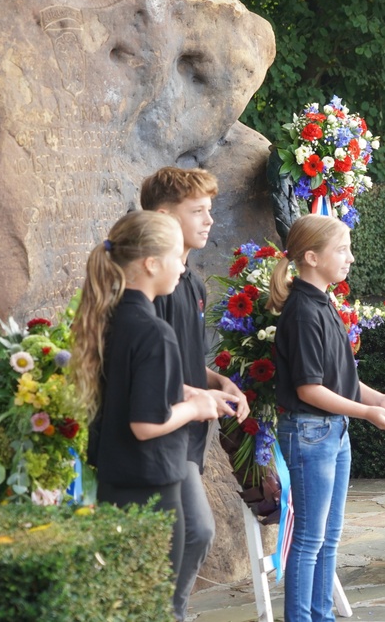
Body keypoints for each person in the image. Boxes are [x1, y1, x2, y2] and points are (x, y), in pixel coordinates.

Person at [268, 214, 385, 622]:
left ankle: (323, 616)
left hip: (332, 433)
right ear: (312, 257)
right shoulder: (302, 310)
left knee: (327, 539)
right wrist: (369, 412)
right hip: (310, 433)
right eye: (342, 250)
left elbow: (342, 380)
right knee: (308, 541)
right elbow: (309, 390)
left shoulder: (322, 302)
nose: (350, 258)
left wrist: (381, 399)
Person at [72, 210, 224, 617]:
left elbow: (130, 389)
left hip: (116, 479)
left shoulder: (113, 316)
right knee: (151, 607)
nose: (182, 266)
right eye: (176, 257)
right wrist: (195, 407)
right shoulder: (154, 330)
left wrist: (189, 391)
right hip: (150, 487)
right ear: (151, 263)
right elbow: (146, 423)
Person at [140, 167, 250, 620]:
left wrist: (218, 382)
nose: (209, 220)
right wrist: (194, 397)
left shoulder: (193, 281)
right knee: (197, 531)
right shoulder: (154, 285)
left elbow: (185, 361)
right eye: (198, 211)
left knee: (188, 534)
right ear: (164, 215)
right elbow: (151, 369)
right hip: (163, 426)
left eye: (210, 210)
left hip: (191, 431)